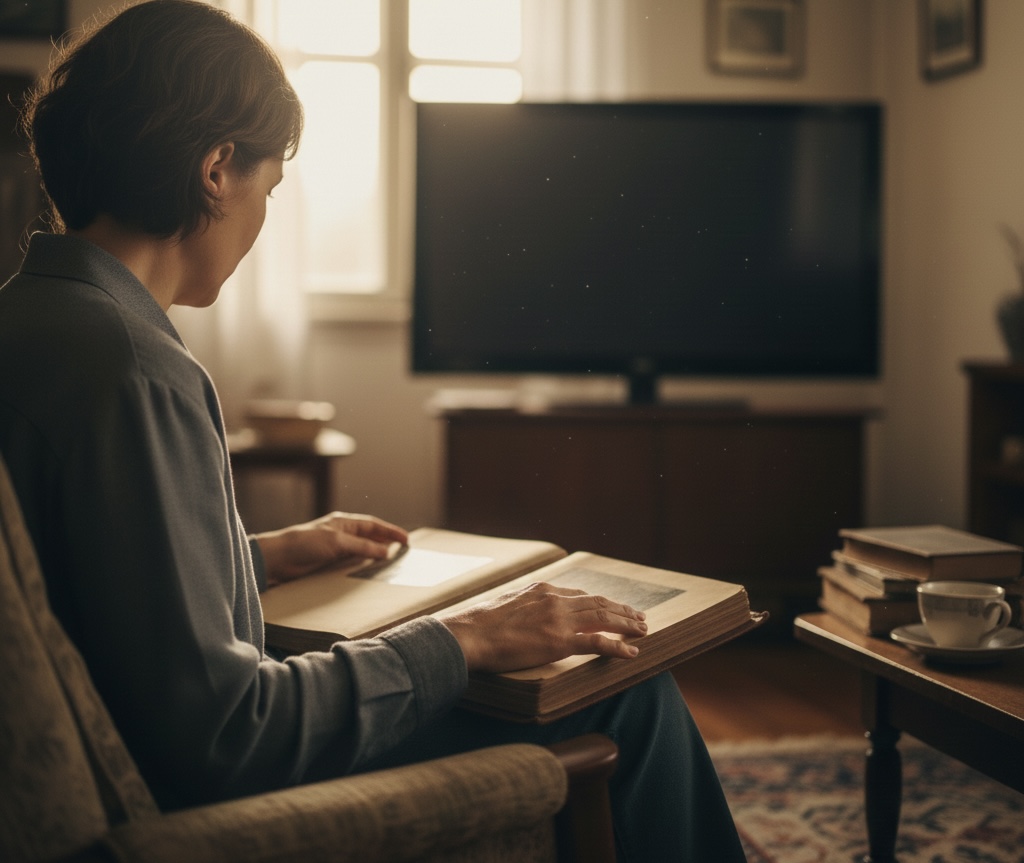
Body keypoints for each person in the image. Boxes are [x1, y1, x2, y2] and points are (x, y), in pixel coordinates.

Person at [0, 2, 746, 859]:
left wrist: (264, 554)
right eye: (268, 188)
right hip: (216, 807)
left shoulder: (29, 324)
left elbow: (97, 588)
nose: (262, 218)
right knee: (622, 694)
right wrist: (467, 637)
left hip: (146, 764)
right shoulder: (135, 368)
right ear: (216, 170)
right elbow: (229, 734)